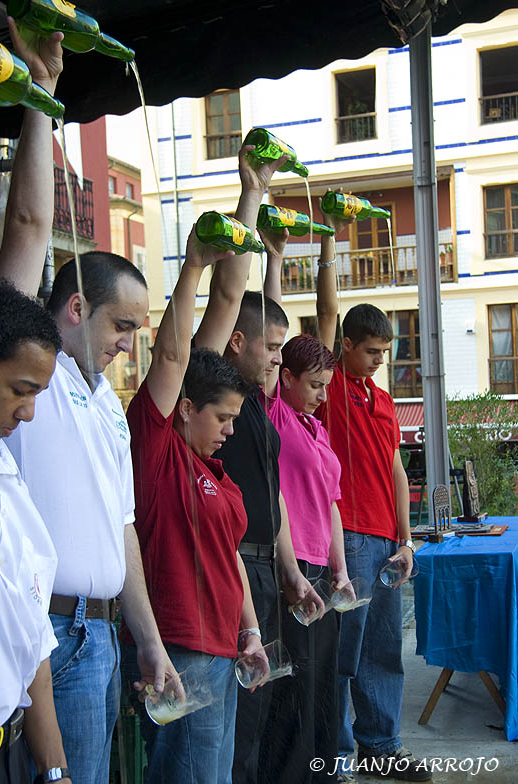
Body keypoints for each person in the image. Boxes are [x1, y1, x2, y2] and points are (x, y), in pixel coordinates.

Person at [0, 23, 178, 784]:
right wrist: (41, 94)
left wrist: (150, 641)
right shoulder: (25, 375)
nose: (129, 344)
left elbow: (122, 531)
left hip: (100, 638)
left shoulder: (105, 404)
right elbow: (32, 227)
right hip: (46, 634)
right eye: (121, 327)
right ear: (73, 309)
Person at [121, 222, 263, 784]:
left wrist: (249, 633)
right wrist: (194, 265)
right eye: (222, 418)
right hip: (181, 648)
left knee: (216, 777)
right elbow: (175, 353)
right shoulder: (156, 452)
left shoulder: (218, 474)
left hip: (222, 651)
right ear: (183, 409)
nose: (230, 430)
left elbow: (229, 558)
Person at [196, 253, 320, 779]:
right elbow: (226, 299)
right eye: (270, 348)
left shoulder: (258, 403)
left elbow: (276, 500)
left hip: (268, 571)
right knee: (240, 722)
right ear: (237, 342)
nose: (278, 358)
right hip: (235, 571)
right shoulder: (211, 394)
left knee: (268, 710)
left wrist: (290, 569)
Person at [316, 228, 431, 782]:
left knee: (385, 649)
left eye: (385, 353)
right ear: (347, 346)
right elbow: (327, 310)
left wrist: (407, 540)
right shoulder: (332, 385)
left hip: (386, 538)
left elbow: (394, 467)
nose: (380, 361)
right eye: (371, 351)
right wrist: (330, 250)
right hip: (349, 536)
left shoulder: (384, 400)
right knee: (345, 654)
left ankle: (380, 747)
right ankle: (335, 759)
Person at [253, 226, 350, 783]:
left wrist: (340, 568)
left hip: (322, 567)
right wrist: (276, 257)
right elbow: (273, 327)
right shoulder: (275, 415)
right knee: (293, 685)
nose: (320, 393)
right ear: (283, 377)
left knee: (321, 681)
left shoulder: (315, 429)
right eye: (312, 383)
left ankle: (321, 771)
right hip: (290, 569)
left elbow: (333, 503)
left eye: (325, 385)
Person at [0, 280, 71, 784]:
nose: (29, 412)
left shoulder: (3, 472)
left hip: (12, 750)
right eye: (20, 390)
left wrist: (54, 768)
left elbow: (31, 637)